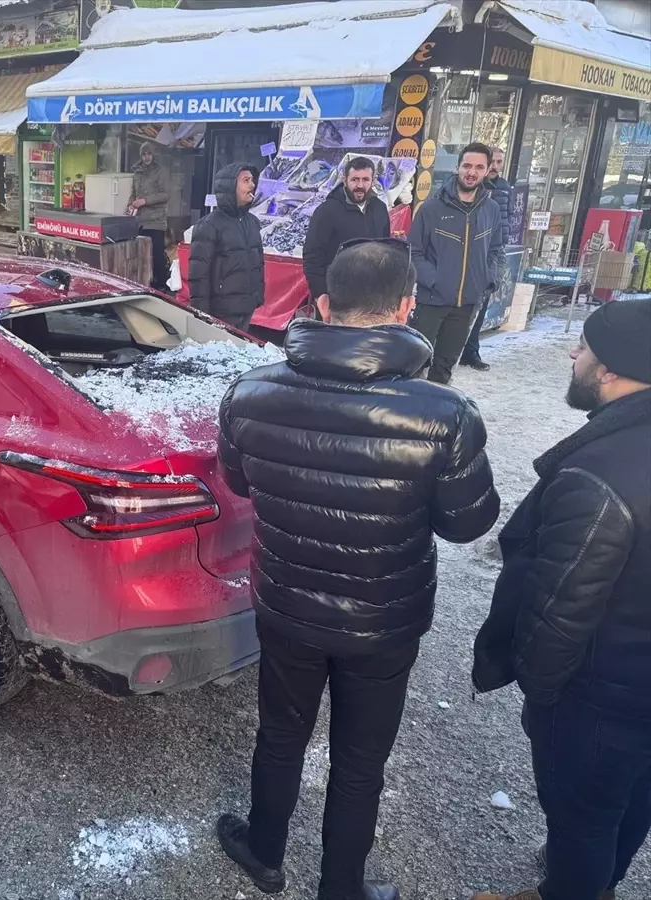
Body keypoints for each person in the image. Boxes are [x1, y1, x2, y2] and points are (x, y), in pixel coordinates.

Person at [215, 239, 500, 900]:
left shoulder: (249, 391)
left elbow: (239, 481)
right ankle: (341, 887)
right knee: (359, 761)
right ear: (406, 306)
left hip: (285, 602)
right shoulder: (445, 414)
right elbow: (468, 523)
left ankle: (263, 852)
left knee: (281, 733)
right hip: (383, 618)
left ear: (322, 303)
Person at [470, 299, 651, 900]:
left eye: (586, 348)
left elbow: (561, 607)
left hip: (604, 695)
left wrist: (542, 695)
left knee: (583, 819)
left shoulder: (599, 473)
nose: (573, 354)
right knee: (631, 802)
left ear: (611, 369)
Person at [408, 142, 506, 384]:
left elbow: (496, 251)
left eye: (478, 167)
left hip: (467, 305)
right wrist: (435, 280)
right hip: (432, 302)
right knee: (415, 363)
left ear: (486, 170)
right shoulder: (432, 208)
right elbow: (413, 252)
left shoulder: (491, 210)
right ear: (457, 167)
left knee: (445, 366)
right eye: (467, 166)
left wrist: (487, 281)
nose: (471, 172)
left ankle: (435, 416)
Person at [187, 163, 264, 330]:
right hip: (221, 311)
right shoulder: (209, 226)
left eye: (252, 180)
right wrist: (201, 313)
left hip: (247, 307)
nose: (252, 185)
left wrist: (257, 295)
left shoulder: (253, 222)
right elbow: (198, 275)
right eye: (246, 180)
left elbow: (258, 263)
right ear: (230, 187)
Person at [302, 156, 390, 301]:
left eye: (365, 180)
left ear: (373, 181)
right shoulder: (327, 211)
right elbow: (312, 257)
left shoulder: (380, 208)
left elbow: (385, 248)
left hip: (372, 296)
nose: (360, 185)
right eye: (354, 179)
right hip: (337, 297)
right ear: (345, 180)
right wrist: (321, 295)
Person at [460, 146, 513, 372]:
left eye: (500, 162)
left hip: (495, 248)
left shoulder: (503, 187)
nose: (495, 167)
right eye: (493, 162)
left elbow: (507, 215)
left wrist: (504, 236)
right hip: (473, 247)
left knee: (484, 297)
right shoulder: (473, 188)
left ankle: (471, 350)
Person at [129, 141, 171, 291]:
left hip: (156, 221)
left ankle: (162, 285)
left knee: (156, 255)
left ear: (153, 155)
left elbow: (166, 195)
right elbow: (134, 194)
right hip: (140, 221)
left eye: (149, 154)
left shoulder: (161, 171)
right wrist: (130, 206)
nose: (146, 157)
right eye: (144, 154)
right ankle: (146, 282)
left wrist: (145, 201)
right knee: (141, 255)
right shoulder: (137, 172)